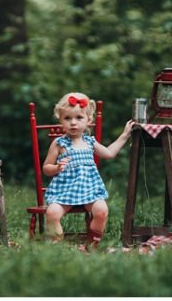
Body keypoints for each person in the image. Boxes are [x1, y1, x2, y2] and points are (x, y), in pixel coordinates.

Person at [43, 92, 136, 252]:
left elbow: (109, 153)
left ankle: (92, 245)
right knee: (52, 213)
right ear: (61, 121)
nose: (73, 123)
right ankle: (56, 247)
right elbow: (46, 168)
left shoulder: (89, 142)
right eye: (67, 118)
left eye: (79, 118)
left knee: (102, 210)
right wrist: (57, 168)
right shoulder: (59, 143)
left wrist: (124, 135)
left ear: (88, 120)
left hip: (89, 190)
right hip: (65, 191)